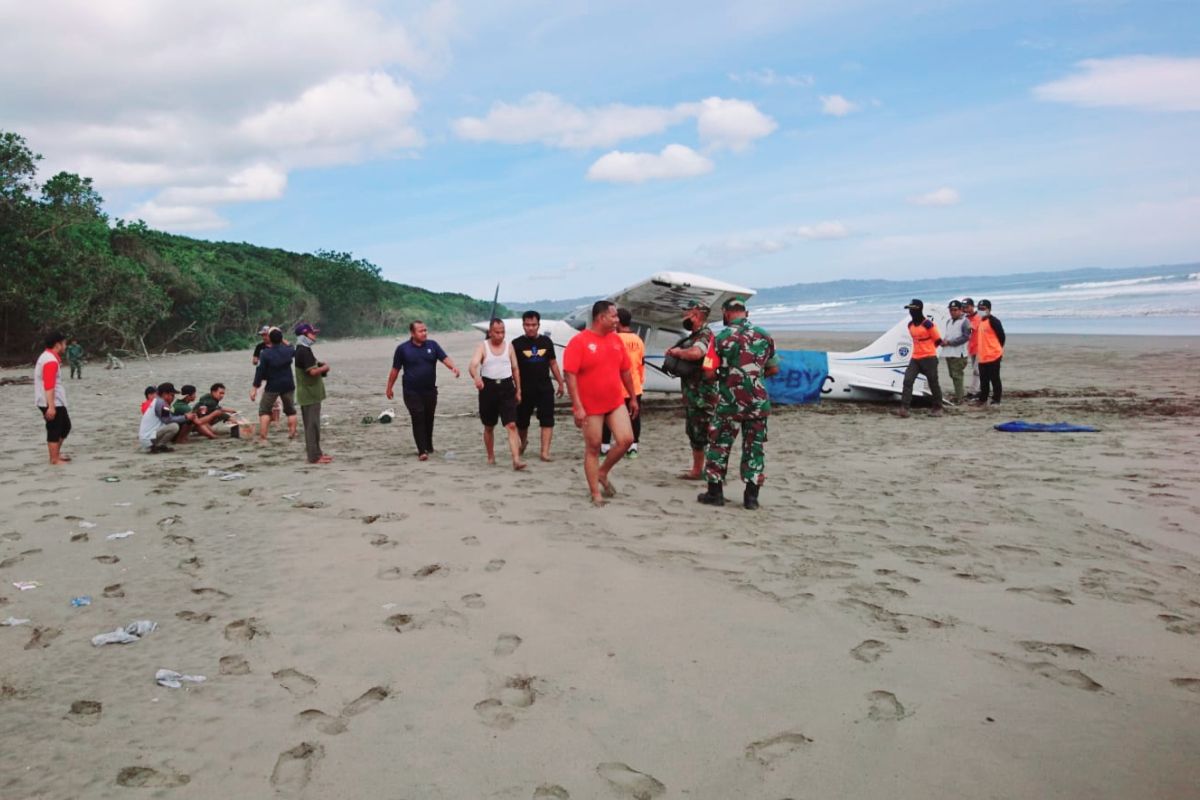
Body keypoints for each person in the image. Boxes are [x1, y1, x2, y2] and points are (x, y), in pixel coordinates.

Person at [698, 298, 780, 510]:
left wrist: (726, 378)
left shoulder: (719, 338)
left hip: (729, 403)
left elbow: (707, 372)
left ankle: (714, 493)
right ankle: (751, 498)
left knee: (719, 446)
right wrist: (753, 378)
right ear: (747, 313)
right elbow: (773, 369)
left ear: (725, 313)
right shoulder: (764, 335)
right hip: (758, 403)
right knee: (754, 449)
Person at [562, 301, 639, 506]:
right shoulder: (580, 342)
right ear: (600, 318)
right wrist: (577, 406)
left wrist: (632, 397)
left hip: (614, 401)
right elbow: (570, 375)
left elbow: (625, 371)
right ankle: (595, 492)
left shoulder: (616, 340)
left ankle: (603, 472)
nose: (617, 320)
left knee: (626, 440)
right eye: (613, 316)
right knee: (594, 447)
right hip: (590, 406)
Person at [386, 320, 461, 460]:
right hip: (411, 391)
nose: (424, 333)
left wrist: (453, 368)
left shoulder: (432, 345)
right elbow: (395, 369)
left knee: (428, 418)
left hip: (430, 390)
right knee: (418, 417)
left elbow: (444, 358)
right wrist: (389, 387)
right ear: (412, 333)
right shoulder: (403, 349)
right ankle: (422, 451)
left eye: (425, 330)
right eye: (421, 331)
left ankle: (428, 445)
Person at [663, 300, 717, 479]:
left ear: (696, 315)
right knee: (695, 433)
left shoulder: (704, 336)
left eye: (686, 313)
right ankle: (698, 470)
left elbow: (696, 353)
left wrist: (677, 352)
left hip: (702, 395)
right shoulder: (695, 336)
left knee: (704, 433)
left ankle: (707, 471)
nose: (683, 317)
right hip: (694, 395)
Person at [468, 319, 526, 470]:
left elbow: (515, 369)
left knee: (511, 424)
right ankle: (490, 456)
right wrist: (476, 378)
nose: (500, 335)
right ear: (490, 332)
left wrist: (518, 389)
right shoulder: (483, 346)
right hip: (488, 388)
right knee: (489, 426)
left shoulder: (509, 346)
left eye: (503, 332)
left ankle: (516, 460)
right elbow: (473, 365)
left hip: (507, 387)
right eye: (497, 332)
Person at [512, 310, 565, 461]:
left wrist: (560, 382)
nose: (530, 328)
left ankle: (545, 452)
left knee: (547, 420)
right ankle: (523, 442)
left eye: (533, 325)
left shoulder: (546, 342)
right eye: (527, 325)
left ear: (538, 325)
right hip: (524, 389)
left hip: (544, 388)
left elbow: (553, 363)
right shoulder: (516, 344)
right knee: (522, 422)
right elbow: (512, 368)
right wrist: (515, 389)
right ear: (523, 325)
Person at [601, 308, 645, 458]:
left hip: (616, 386)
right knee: (634, 417)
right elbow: (641, 364)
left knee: (606, 416)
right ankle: (633, 447)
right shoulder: (639, 340)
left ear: (618, 321)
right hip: (636, 386)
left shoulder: (614, 339)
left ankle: (605, 446)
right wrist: (640, 382)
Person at [897, 299, 945, 418]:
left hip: (929, 358)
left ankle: (938, 407)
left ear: (918, 309)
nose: (911, 312)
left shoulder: (928, 324)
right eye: (910, 309)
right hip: (915, 358)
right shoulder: (910, 325)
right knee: (908, 380)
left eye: (912, 309)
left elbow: (938, 340)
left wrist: (928, 350)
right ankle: (904, 408)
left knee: (933, 383)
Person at [293, 322, 332, 464]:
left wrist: (320, 366)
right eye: (312, 333)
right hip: (309, 394)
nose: (314, 335)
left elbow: (311, 367)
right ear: (304, 335)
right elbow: (312, 371)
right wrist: (325, 367)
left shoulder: (303, 350)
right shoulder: (303, 351)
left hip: (310, 393)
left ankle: (317, 454)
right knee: (311, 426)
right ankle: (314, 457)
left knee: (313, 425)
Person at [250, 328, 298, 441]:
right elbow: (292, 347)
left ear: (270, 339)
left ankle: (263, 437)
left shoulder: (265, 354)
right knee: (291, 411)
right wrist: (283, 340)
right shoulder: (288, 351)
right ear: (281, 339)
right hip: (288, 384)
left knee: (264, 410)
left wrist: (254, 388)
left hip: (272, 385)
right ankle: (292, 433)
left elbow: (260, 372)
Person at [35, 331, 71, 465]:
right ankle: (54, 459)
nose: (65, 346)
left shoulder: (50, 357)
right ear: (58, 344)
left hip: (56, 400)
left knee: (65, 426)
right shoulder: (50, 360)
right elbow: (49, 385)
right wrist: (51, 406)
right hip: (50, 401)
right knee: (54, 429)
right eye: (64, 343)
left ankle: (56, 454)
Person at [138, 382, 196, 453]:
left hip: (146, 437)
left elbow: (168, 417)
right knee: (174, 426)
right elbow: (168, 420)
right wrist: (185, 417)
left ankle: (158, 446)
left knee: (174, 425)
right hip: (148, 438)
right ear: (165, 394)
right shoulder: (162, 403)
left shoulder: (158, 401)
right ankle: (159, 446)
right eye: (172, 395)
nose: (173, 397)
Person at [940, 300, 973, 404]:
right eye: (951, 310)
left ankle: (959, 398)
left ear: (960, 310)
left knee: (957, 375)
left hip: (959, 353)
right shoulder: (949, 321)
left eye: (955, 310)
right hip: (949, 352)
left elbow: (966, 337)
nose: (952, 312)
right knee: (953, 375)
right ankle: (958, 396)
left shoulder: (965, 321)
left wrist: (950, 342)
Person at [975, 299, 1006, 405]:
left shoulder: (994, 321)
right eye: (979, 309)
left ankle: (996, 399)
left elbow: (1001, 336)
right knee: (983, 380)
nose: (981, 311)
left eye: (983, 309)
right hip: (982, 356)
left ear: (989, 309)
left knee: (995, 378)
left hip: (993, 355)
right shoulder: (979, 321)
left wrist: (997, 348)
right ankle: (983, 398)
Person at [962, 298, 981, 399]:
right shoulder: (966, 318)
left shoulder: (977, 317)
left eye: (967, 307)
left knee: (977, 370)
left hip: (980, 347)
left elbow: (969, 329)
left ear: (972, 306)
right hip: (972, 348)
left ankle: (974, 391)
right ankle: (977, 390)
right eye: (964, 307)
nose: (965, 309)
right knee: (976, 370)